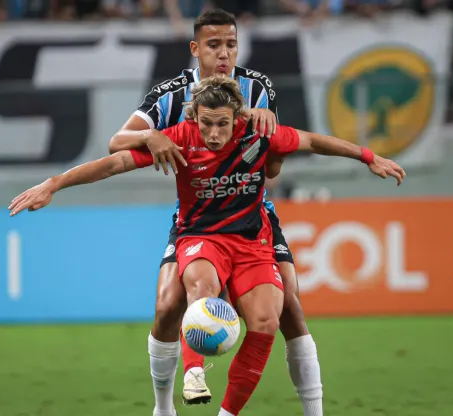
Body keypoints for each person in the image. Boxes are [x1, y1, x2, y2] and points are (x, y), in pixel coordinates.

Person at [8, 74, 406, 416]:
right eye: (206, 124)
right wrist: (53, 184)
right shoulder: (179, 137)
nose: (213, 134)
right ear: (193, 118)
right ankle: (194, 372)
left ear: (238, 119)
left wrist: (367, 156)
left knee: (267, 320)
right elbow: (112, 163)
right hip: (200, 237)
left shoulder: (260, 134)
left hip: (252, 243)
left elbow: (314, 142)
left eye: (222, 124)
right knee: (201, 288)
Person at [107, 9, 326, 413]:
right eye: (213, 45)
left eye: (230, 44)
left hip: (252, 213)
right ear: (196, 49)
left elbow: (276, 156)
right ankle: (164, 406)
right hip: (199, 217)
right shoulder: (172, 94)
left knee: (290, 306)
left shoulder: (259, 89)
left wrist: (271, 128)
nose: (223, 54)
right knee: (167, 304)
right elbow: (117, 141)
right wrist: (151, 136)